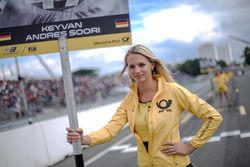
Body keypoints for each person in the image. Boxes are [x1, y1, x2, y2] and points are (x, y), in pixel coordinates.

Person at [67, 44, 223, 167]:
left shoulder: (173, 91)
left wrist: (190, 147)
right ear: (127, 69)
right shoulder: (129, 100)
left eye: (141, 64)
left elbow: (213, 117)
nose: (137, 70)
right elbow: (110, 130)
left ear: (152, 65)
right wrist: (84, 139)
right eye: (131, 66)